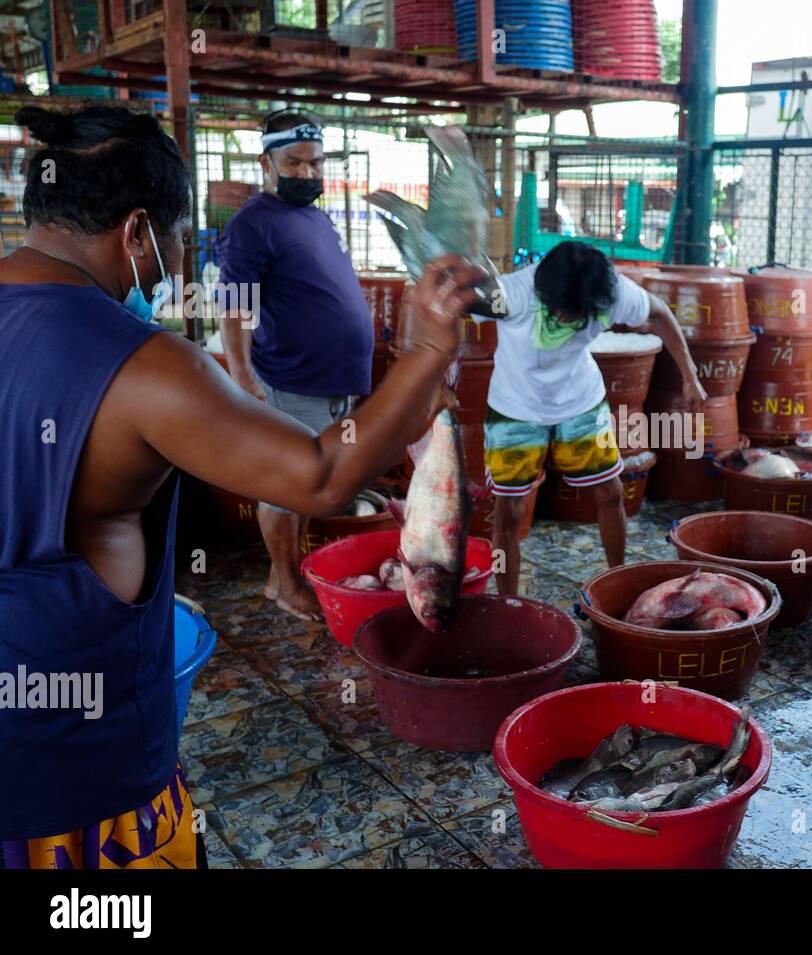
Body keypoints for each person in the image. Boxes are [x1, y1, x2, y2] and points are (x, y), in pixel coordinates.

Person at [0, 104, 481, 869]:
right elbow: (320, 477)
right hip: (78, 785)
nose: (171, 265)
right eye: (172, 243)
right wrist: (425, 351)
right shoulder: (145, 365)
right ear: (135, 233)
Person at [474, 241, 706, 596]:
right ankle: (508, 601)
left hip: (580, 402)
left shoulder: (610, 290)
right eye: (564, 312)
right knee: (508, 510)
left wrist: (689, 375)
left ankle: (619, 579)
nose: (570, 321)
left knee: (612, 493)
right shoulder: (512, 294)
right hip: (514, 410)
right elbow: (451, 307)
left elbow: (659, 313)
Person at [218, 108, 375, 621]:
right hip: (289, 381)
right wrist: (243, 378)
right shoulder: (252, 224)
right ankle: (285, 583)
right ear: (267, 161)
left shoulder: (315, 215)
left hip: (332, 383)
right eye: (295, 163)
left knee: (308, 484)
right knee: (285, 487)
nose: (308, 174)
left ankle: (279, 577)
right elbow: (235, 306)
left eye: (315, 163)